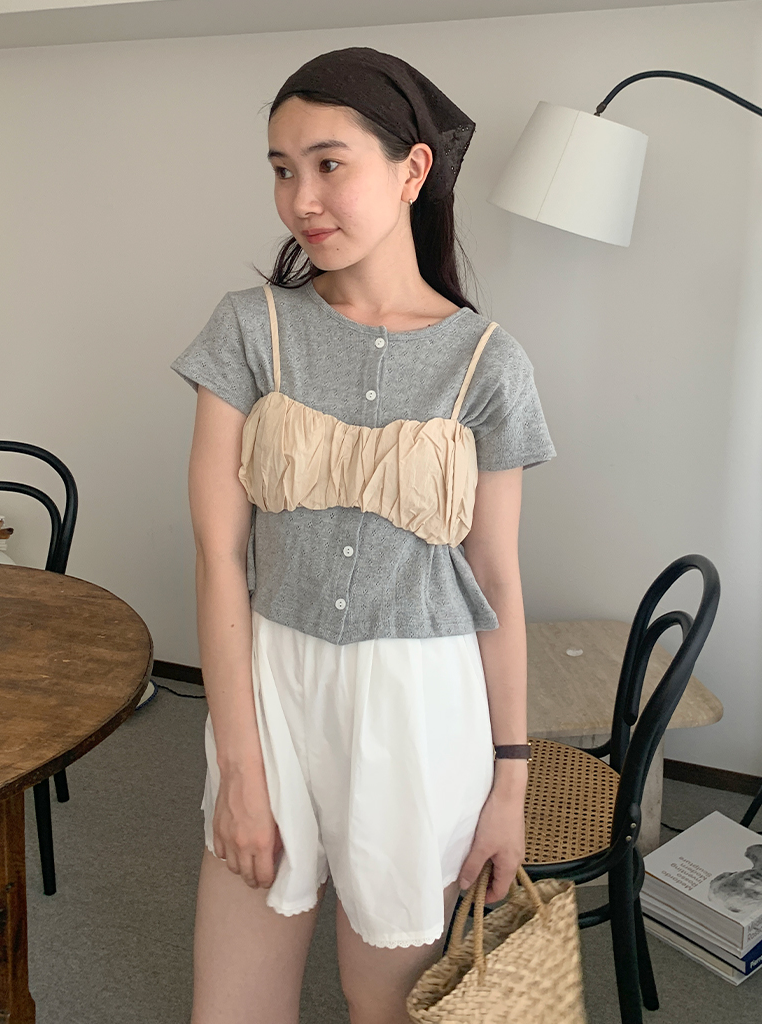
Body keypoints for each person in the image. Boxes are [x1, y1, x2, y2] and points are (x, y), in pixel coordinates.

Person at [172, 46, 556, 1024]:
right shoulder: (248, 329)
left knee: (382, 1002)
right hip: (271, 689)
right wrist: (241, 769)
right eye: (281, 168)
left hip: (418, 711)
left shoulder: (488, 362)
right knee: (232, 1009)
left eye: (328, 163)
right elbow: (218, 558)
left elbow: (496, 579)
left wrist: (509, 787)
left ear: (411, 169)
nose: (300, 197)